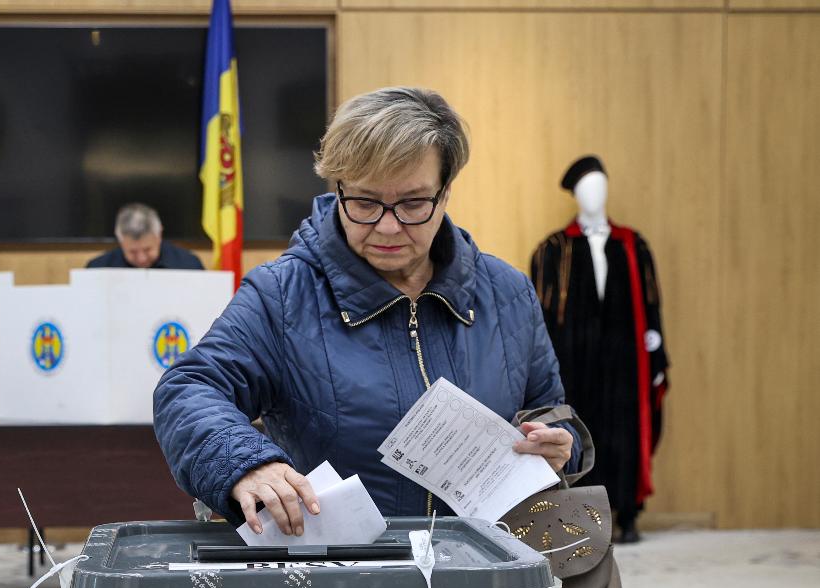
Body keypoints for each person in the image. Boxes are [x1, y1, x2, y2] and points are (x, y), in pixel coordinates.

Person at [153, 87, 581, 537]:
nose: (389, 226)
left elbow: (550, 409)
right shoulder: (283, 296)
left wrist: (558, 446)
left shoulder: (507, 291)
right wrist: (244, 464)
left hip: (480, 572)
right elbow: (189, 387)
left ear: (446, 192)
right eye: (365, 203)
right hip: (341, 580)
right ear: (337, 189)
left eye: (414, 203)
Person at [531, 156, 668, 543]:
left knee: (625, 429)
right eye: (587, 188)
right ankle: (583, 515)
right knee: (579, 429)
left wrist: (656, 343)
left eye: (600, 186)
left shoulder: (633, 244)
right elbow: (540, 311)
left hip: (625, 357)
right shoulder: (553, 250)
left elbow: (652, 302)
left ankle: (628, 513)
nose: (595, 195)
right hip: (575, 359)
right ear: (575, 195)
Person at [86, 203, 204, 270]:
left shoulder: (189, 265)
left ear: (159, 236)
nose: (141, 258)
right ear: (121, 241)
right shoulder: (98, 269)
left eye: (147, 250)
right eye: (132, 252)